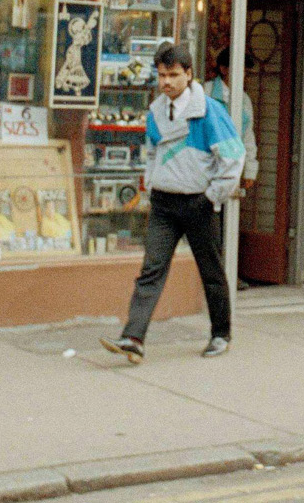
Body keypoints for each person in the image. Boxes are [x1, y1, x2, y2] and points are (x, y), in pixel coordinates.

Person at [102, 42, 244, 364]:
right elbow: (151, 152)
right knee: (151, 269)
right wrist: (151, 184)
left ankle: (221, 333)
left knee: (210, 270)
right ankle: (133, 337)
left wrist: (212, 197)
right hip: (165, 204)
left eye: (173, 75)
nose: (166, 82)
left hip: (199, 202)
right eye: (162, 75)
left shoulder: (209, 111)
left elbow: (234, 158)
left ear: (189, 74)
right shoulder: (155, 111)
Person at [203, 49, 258, 189]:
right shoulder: (206, 92)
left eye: (246, 72)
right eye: (242, 70)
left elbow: (247, 137)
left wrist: (250, 170)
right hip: (206, 166)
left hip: (230, 168)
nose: (245, 76)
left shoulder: (244, 100)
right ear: (223, 69)